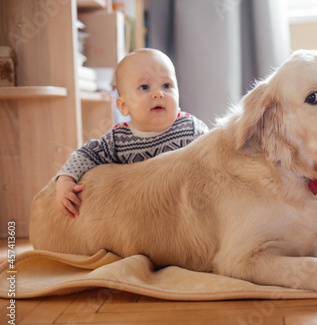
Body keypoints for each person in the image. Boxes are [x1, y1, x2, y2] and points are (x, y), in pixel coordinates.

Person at [56, 48, 209, 218]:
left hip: (186, 213)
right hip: (140, 217)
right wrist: (66, 179)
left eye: (167, 85)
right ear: (123, 106)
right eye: (144, 87)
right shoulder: (118, 139)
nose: (159, 94)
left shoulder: (192, 128)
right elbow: (86, 154)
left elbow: (216, 158)